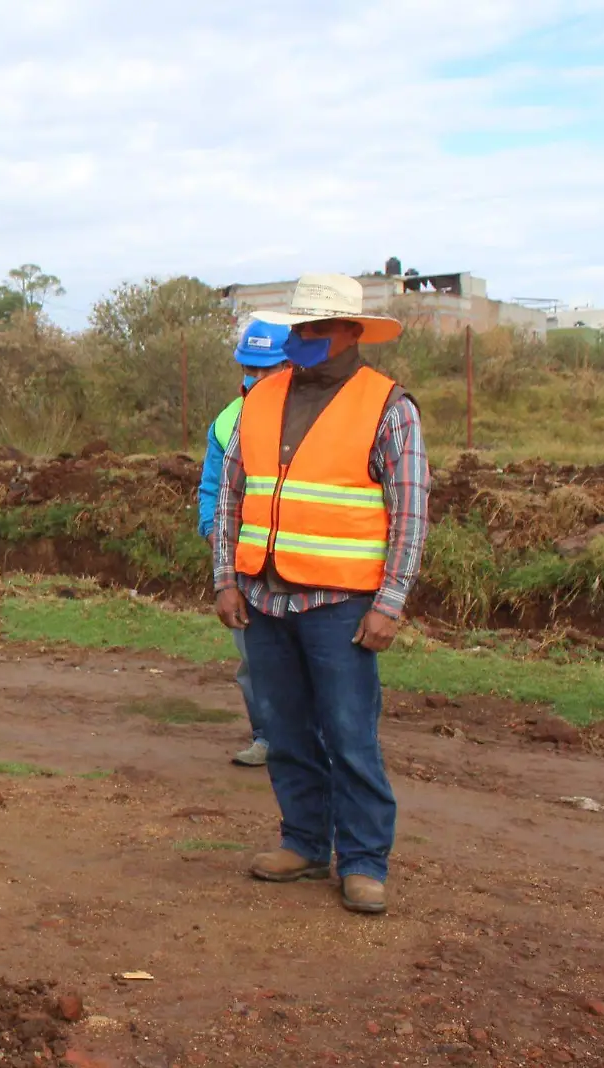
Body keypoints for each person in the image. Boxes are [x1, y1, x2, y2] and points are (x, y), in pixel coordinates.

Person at [212, 273, 429, 916]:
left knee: (349, 734)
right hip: (264, 598)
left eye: (316, 328)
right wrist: (226, 577)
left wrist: (391, 601)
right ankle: (304, 842)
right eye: (299, 327)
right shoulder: (259, 399)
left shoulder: (389, 407)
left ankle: (363, 861)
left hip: (342, 606)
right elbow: (231, 497)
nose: (303, 338)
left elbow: (410, 513)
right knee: (284, 730)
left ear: (350, 332)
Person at [199, 320, 289, 768]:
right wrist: (216, 540)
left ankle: (315, 745)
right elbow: (211, 489)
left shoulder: (309, 415)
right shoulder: (228, 420)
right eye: (250, 368)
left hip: (299, 566)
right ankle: (267, 738)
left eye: (266, 368)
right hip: (245, 566)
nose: (256, 377)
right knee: (254, 659)